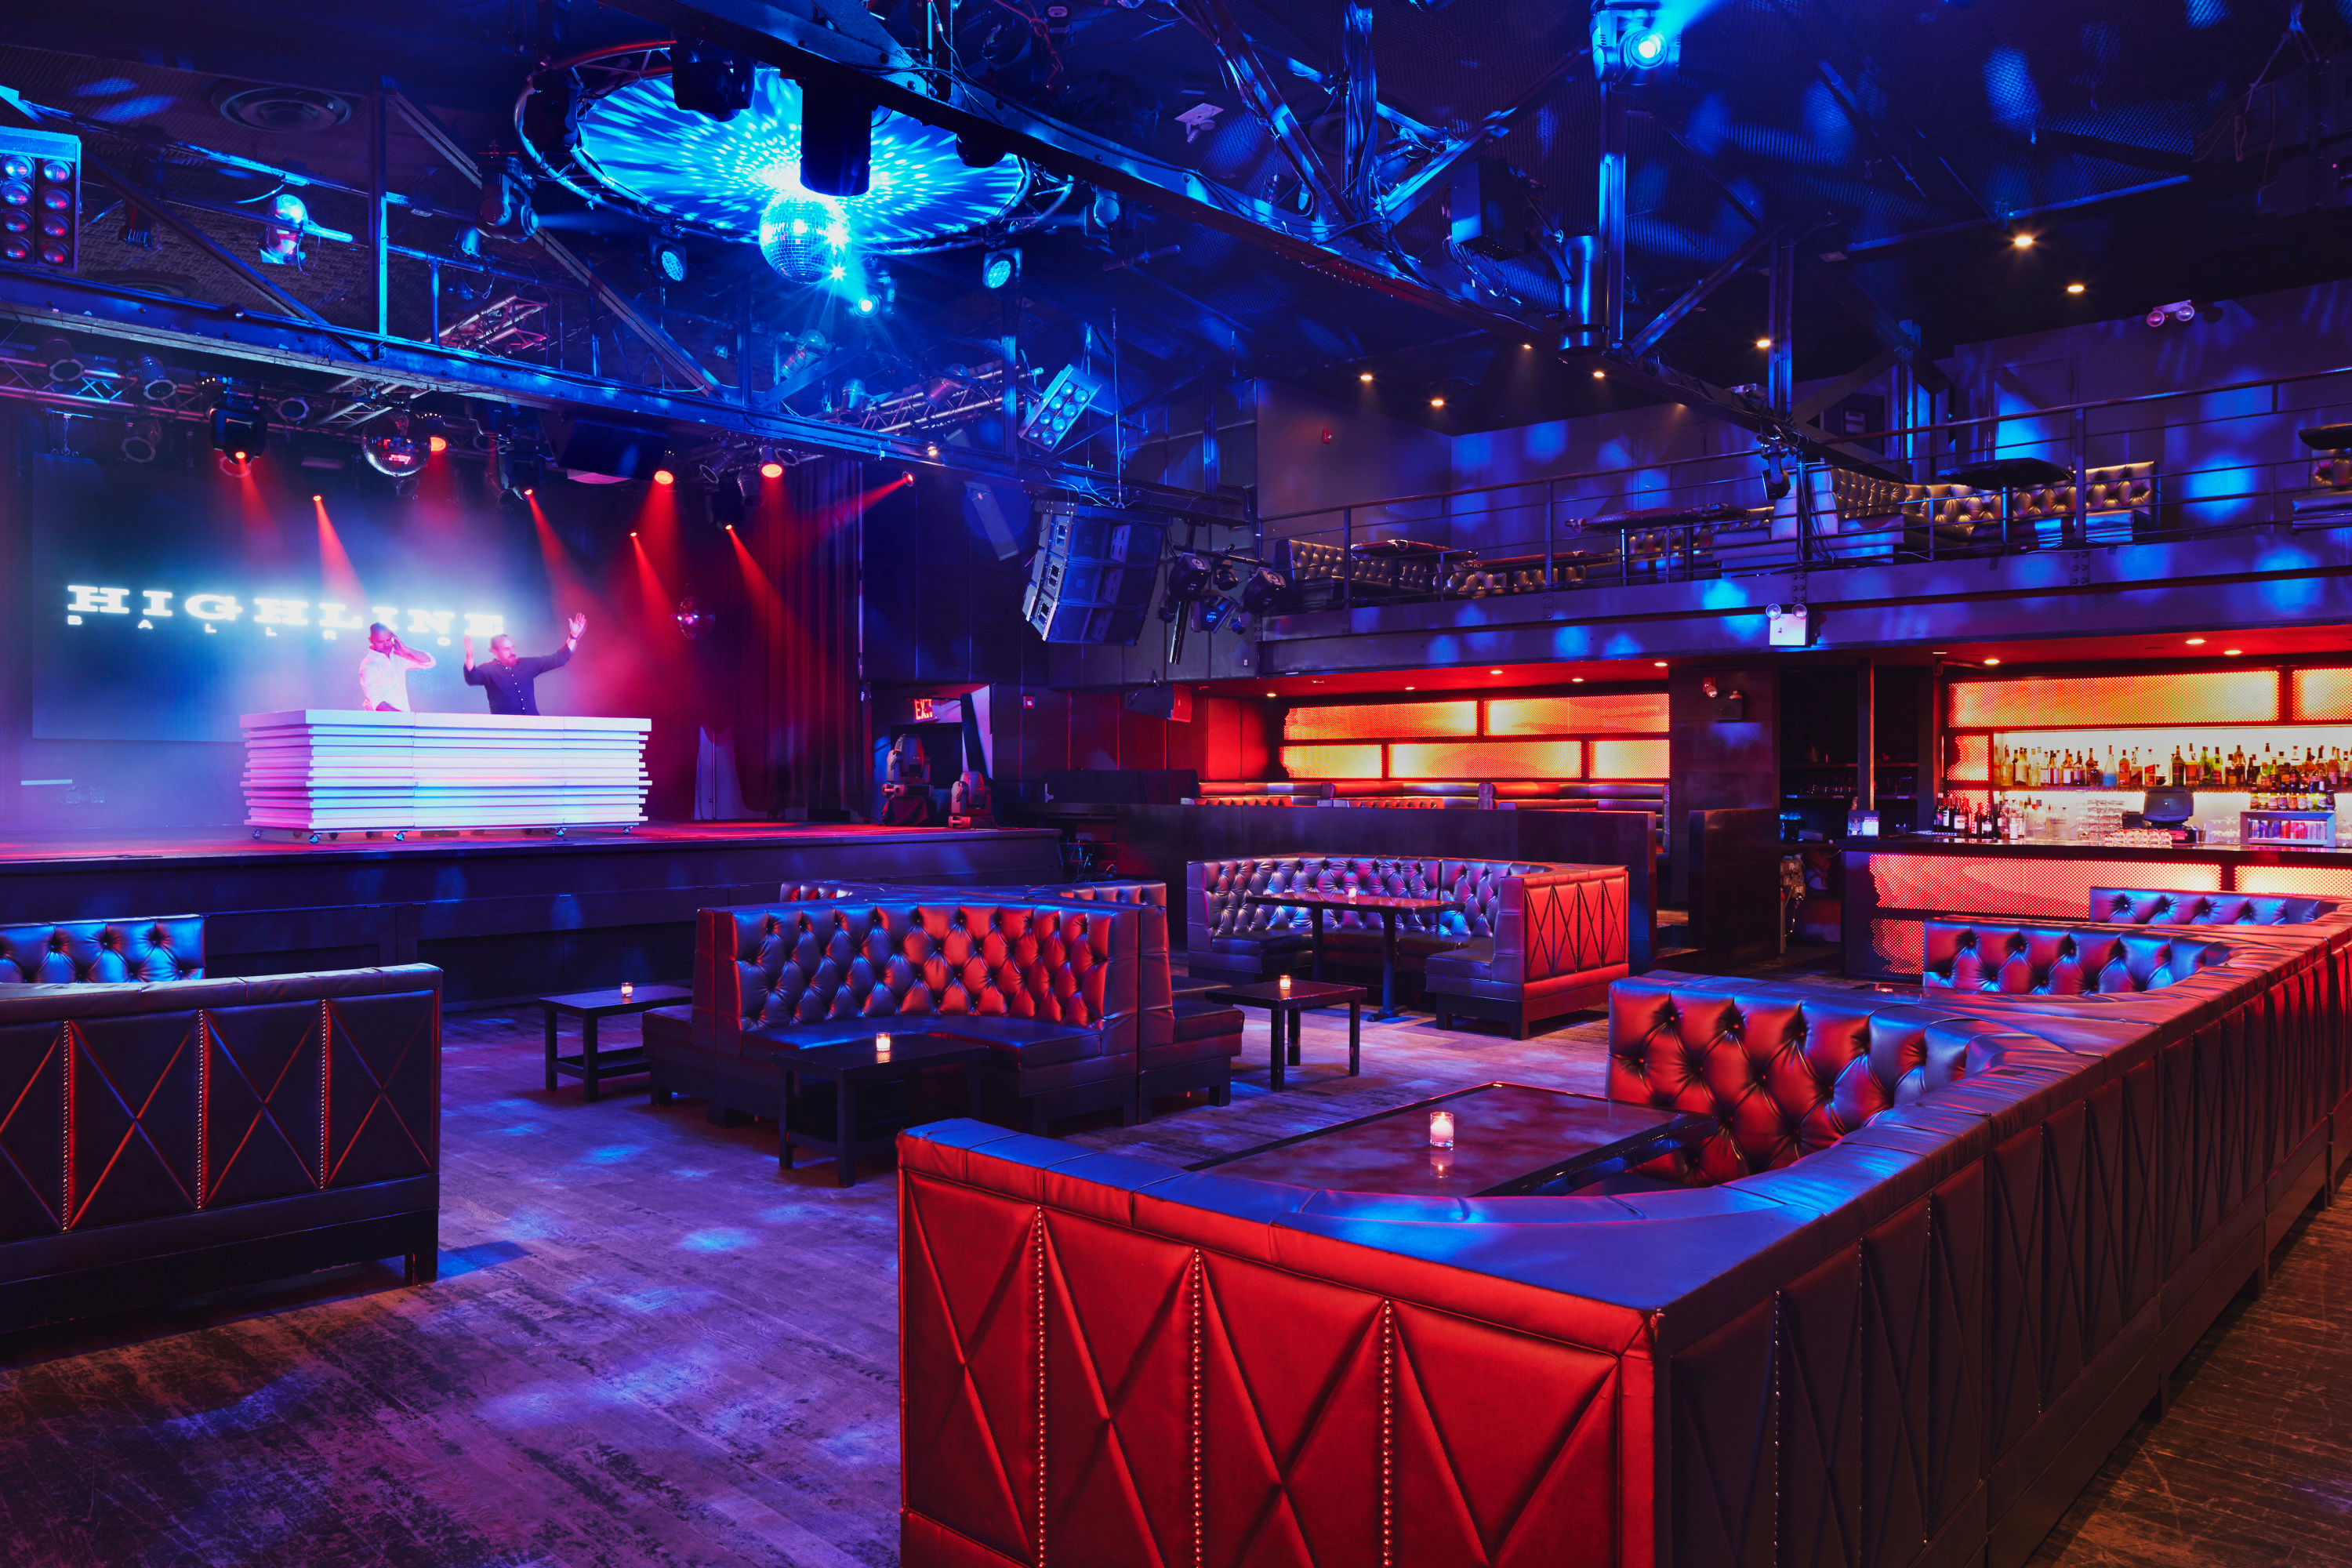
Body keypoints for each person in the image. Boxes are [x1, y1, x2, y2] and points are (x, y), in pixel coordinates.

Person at [463, 614, 586, 716]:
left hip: (533, 726)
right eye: (506, 649)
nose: (512, 652)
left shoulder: (527, 665)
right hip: (505, 729)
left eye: (512, 648)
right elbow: (472, 678)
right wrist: (469, 655)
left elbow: (559, 659)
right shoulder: (489, 670)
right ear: (495, 652)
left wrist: (574, 636)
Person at [357, 622, 435, 712]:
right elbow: (376, 702)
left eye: (388, 640)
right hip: (379, 719)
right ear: (371, 640)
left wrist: (406, 650)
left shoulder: (398, 655)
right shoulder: (369, 665)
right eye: (380, 642)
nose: (386, 645)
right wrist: (401, 717)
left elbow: (429, 662)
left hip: (400, 717)